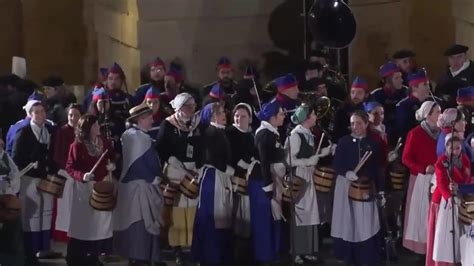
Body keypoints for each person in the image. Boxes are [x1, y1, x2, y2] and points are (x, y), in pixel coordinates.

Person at [114, 104, 167, 266]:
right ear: (141, 119)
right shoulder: (139, 138)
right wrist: (154, 178)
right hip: (139, 188)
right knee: (141, 223)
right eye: (150, 117)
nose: (152, 120)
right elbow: (137, 164)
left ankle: (144, 256)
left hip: (134, 187)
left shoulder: (131, 135)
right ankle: (141, 257)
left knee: (139, 223)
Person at [331, 110, 384, 266]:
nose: (355, 126)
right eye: (352, 123)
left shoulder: (373, 143)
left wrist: (380, 190)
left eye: (359, 123)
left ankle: (366, 256)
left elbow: (377, 168)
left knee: (365, 222)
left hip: (365, 188)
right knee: (347, 220)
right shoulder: (343, 142)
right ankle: (348, 255)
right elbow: (337, 164)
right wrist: (346, 173)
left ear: (366, 124)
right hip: (345, 187)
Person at [156, 92, 203, 265]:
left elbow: (203, 145)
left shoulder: (198, 124)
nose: (191, 109)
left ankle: (191, 245)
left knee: (192, 207)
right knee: (176, 208)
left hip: (194, 170)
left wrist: (199, 164)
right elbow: (160, 147)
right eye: (187, 106)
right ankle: (176, 247)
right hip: (175, 170)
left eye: (193, 106)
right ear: (179, 107)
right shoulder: (167, 125)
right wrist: (171, 159)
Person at [12, 101, 58, 265]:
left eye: (42, 111)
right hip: (28, 178)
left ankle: (42, 248)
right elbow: (16, 157)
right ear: (31, 114)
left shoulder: (48, 131)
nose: (41, 114)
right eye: (37, 112)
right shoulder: (23, 132)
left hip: (43, 178)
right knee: (30, 215)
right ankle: (28, 252)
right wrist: (31, 163)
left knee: (44, 214)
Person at [65, 114, 115, 266]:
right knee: (82, 224)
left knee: (98, 224)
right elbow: (70, 167)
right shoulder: (77, 146)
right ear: (88, 128)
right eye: (95, 125)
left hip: (100, 188)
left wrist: (112, 166)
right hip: (83, 189)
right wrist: (82, 175)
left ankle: (93, 256)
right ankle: (74, 257)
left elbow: (112, 158)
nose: (98, 127)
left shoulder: (105, 143)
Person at [191, 102, 235, 265]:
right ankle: (211, 255)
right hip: (214, 178)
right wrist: (228, 169)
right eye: (220, 112)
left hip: (218, 176)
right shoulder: (211, 133)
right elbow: (211, 156)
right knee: (213, 218)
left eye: (223, 111)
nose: (224, 115)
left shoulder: (218, 132)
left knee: (219, 218)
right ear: (212, 116)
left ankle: (216, 255)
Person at [286, 104, 330, 264]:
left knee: (310, 214)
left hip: (308, 176)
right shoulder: (295, 135)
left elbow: (310, 155)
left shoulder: (308, 134)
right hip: (299, 177)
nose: (316, 117)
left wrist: (322, 153)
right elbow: (288, 159)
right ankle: (297, 251)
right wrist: (307, 161)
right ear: (306, 118)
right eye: (313, 114)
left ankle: (308, 250)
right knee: (300, 214)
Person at [401, 101, 441, 256]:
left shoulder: (441, 133)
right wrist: (423, 168)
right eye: (437, 112)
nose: (440, 114)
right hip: (420, 180)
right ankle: (421, 250)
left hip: (437, 179)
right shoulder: (415, 133)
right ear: (428, 115)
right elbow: (406, 158)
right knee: (420, 216)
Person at [426, 133, 471, 266]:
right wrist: (448, 196)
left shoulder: (465, 160)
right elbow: (441, 182)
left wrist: (462, 175)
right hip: (445, 201)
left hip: (460, 198)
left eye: (458, 148)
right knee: (444, 235)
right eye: (452, 148)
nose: (455, 151)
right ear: (446, 148)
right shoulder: (441, 162)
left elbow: (467, 179)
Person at [251, 99, 287, 265]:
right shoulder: (264, 135)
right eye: (280, 114)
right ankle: (266, 255)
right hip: (263, 183)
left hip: (273, 180)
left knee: (275, 218)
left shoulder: (272, 133)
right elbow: (264, 162)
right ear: (272, 117)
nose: (283, 116)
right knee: (266, 219)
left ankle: (274, 251)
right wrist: (268, 187)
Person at [225, 103, 259, 264]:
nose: (239, 118)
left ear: (250, 118)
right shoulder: (230, 133)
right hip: (236, 181)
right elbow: (229, 155)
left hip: (250, 181)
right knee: (238, 218)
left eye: (243, 116)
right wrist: (244, 164)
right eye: (237, 116)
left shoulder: (251, 134)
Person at [51, 103, 82, 243]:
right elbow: (58, 155)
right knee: (65, 206)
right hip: (66, 172)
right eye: (70, 115)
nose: (73, 118)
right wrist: (70, 168)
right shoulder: (62, 132)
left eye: (76, 115)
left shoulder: (83, 132)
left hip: (80, 174)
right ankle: (64, 234)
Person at [371, 62, 407, 146]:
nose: (401, 80)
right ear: (388, 81)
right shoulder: (376, 96)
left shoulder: (406, 92)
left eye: (401, 77)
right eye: (397, 78)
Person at [0, 138, 23, 265]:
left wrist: (9, 183)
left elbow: (15, 175)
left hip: (7, 203)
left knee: (12, 236)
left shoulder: (6, 158)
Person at [396, 69, 432, 140]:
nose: (429, 87)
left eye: (428, 84)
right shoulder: (403, 106)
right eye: (425, 84)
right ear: (414, 87)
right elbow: (404, 131)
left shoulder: (434, 102)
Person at [333, 76, 368, 141]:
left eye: (359, 93)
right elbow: (337, 132)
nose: (355, 96)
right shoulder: (342, 110)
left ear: (366, 95)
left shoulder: (369, 109)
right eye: (353, 92)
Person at [273, 74, 301, 142]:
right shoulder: (275, 107)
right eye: (294, 88)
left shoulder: (296, 101)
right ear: (285, 91)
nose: (298, 91)